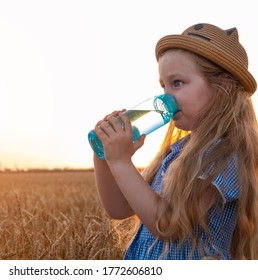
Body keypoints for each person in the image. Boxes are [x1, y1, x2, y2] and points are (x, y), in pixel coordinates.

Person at [92, 23, 258, 259]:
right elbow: (118, 208)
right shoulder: (177, 152)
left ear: (222, 89)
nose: (165, 95)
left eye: (177, 83)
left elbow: (169, 225)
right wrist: (105, 155)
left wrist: (121, 162)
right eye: (163, 85)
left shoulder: (225, 155)